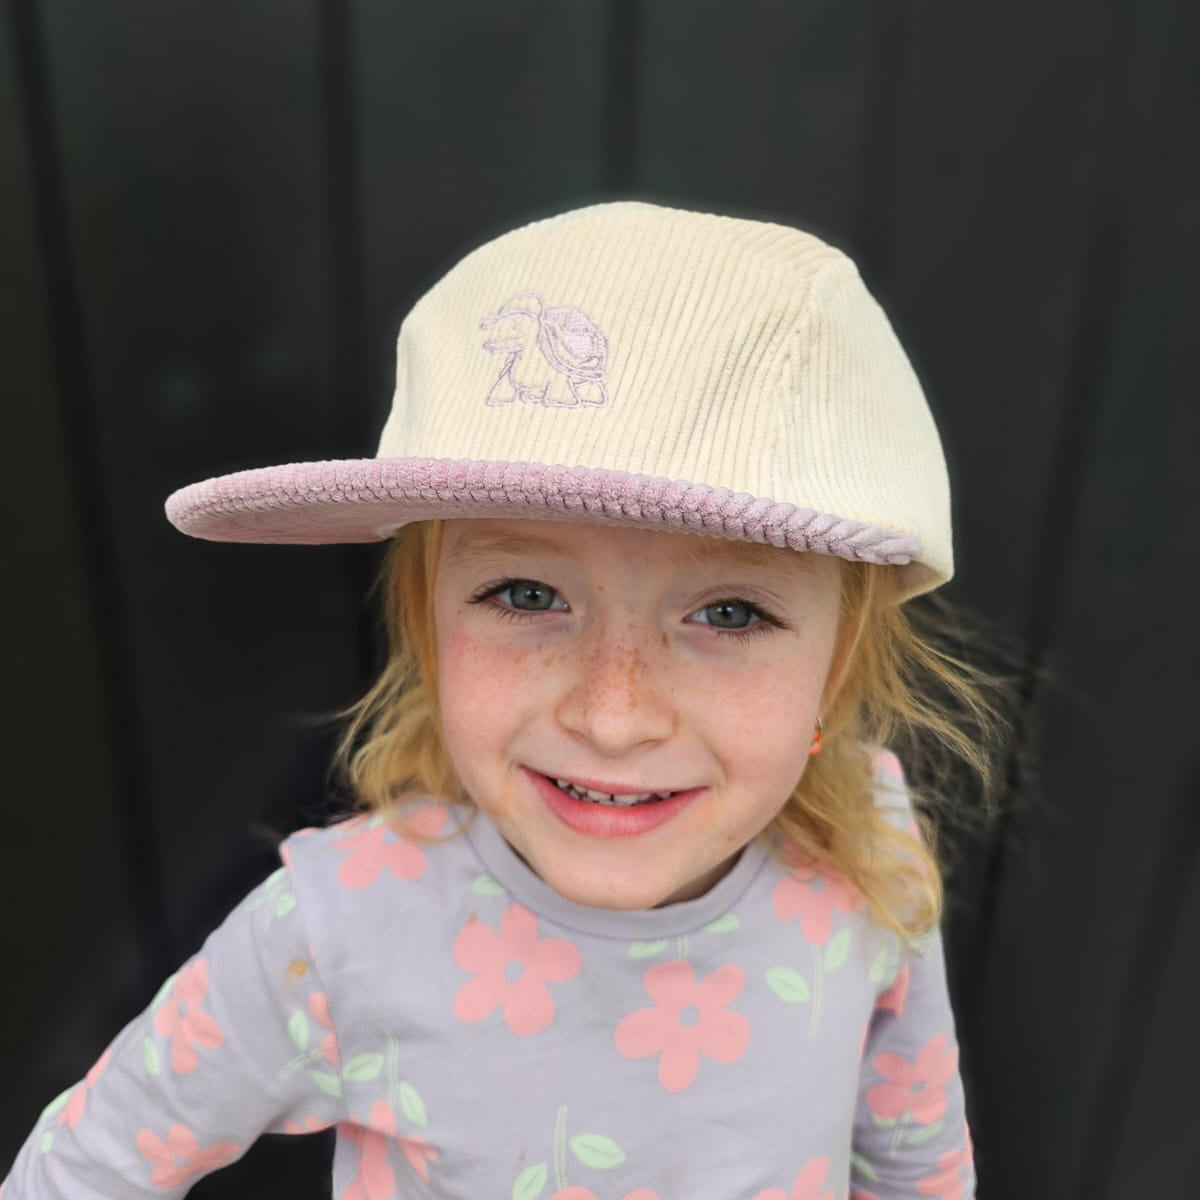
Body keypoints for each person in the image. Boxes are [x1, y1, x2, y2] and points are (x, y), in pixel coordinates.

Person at [4, 201, 1006, 1199]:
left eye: (733, 612)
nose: (615, 717)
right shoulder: (343, 932)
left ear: (834, 671)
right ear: (427, 631)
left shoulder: (869, 861)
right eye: (526, 595)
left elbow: (917, 1167)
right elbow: (86, 1173)